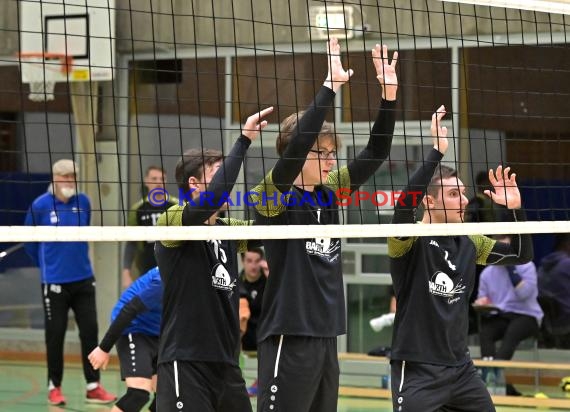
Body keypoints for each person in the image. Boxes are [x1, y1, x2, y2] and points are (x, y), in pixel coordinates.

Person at [250, 38, 398, 412]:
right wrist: (329, 86)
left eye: (334, 152)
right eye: (323, 152)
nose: (331, 160)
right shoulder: (272, 196)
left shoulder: (330, 191)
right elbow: (298, 145)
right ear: (295, 153)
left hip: (326, 332)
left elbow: (376, 152)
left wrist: (389, 96)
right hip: (289, 331)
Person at [387, 106, 533, 411]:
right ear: (428, 201)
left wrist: (515, 210)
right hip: (417, 368)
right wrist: (437, 152)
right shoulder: (409, 237)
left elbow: (521, 255)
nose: (465, 201)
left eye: (464, 193)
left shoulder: (470, 241)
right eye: (454, 194)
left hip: (460, 370)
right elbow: (403, 204)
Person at [154, 106, 273, 412]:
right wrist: (244, 140)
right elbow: (217, 195)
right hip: (186, 360)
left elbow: (268, 229)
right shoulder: (173, 219)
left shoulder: (228, 229)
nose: (224, 180)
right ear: (194, 185)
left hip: (226, 363)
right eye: (216, 173)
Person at [24, 159, 116, 406]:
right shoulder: (40, 206)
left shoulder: (83, 202)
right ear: (54, 177)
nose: (69, 181)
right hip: (54, 283)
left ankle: (93, 386)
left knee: (90, 332)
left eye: (72, 177)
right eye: (64, 177)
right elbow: (28, 241)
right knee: (55, 336)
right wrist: (48, 267)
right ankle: (54, 386)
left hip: (84, 279)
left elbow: (83, 233)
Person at [474, 235, 543, 396]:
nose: (503, 252)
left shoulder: (527, 266)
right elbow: (482, 298)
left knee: (513, 332)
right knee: (486, 332)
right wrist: (482, 302)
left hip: (527, 315)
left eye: (506, 248)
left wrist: (512, 269)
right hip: (502, 314)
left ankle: (492, 375)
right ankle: (494, 379)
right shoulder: (487, 273)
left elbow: (525, 294)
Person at [88, 266, 162, 412]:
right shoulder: (164, 279)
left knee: (167, 396)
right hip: (134, 328)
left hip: (159, 330)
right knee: (138, 394)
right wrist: (104, 348)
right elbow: (129, 310)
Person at [122, 166, 178, 288]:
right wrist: (126, 272)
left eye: (162, 178)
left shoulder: (177, 206)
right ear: (146, 181)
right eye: (154, 178)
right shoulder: (138, 209)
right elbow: (132, 243)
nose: (158, 182)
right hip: (146, 268)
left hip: (174, 267)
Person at [537, 233, 570, 337]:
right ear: (566, 244)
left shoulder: (543, 266)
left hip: (547, 321)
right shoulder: (567, 264)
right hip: (565, 317)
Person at [239, 248, 269, 352]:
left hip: (267, 342)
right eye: (249, 261)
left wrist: (271, 277)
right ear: (242, 261)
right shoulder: (236, 284)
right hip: (244, 344)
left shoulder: (269, 283)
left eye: (257, 261)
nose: (253, 266)